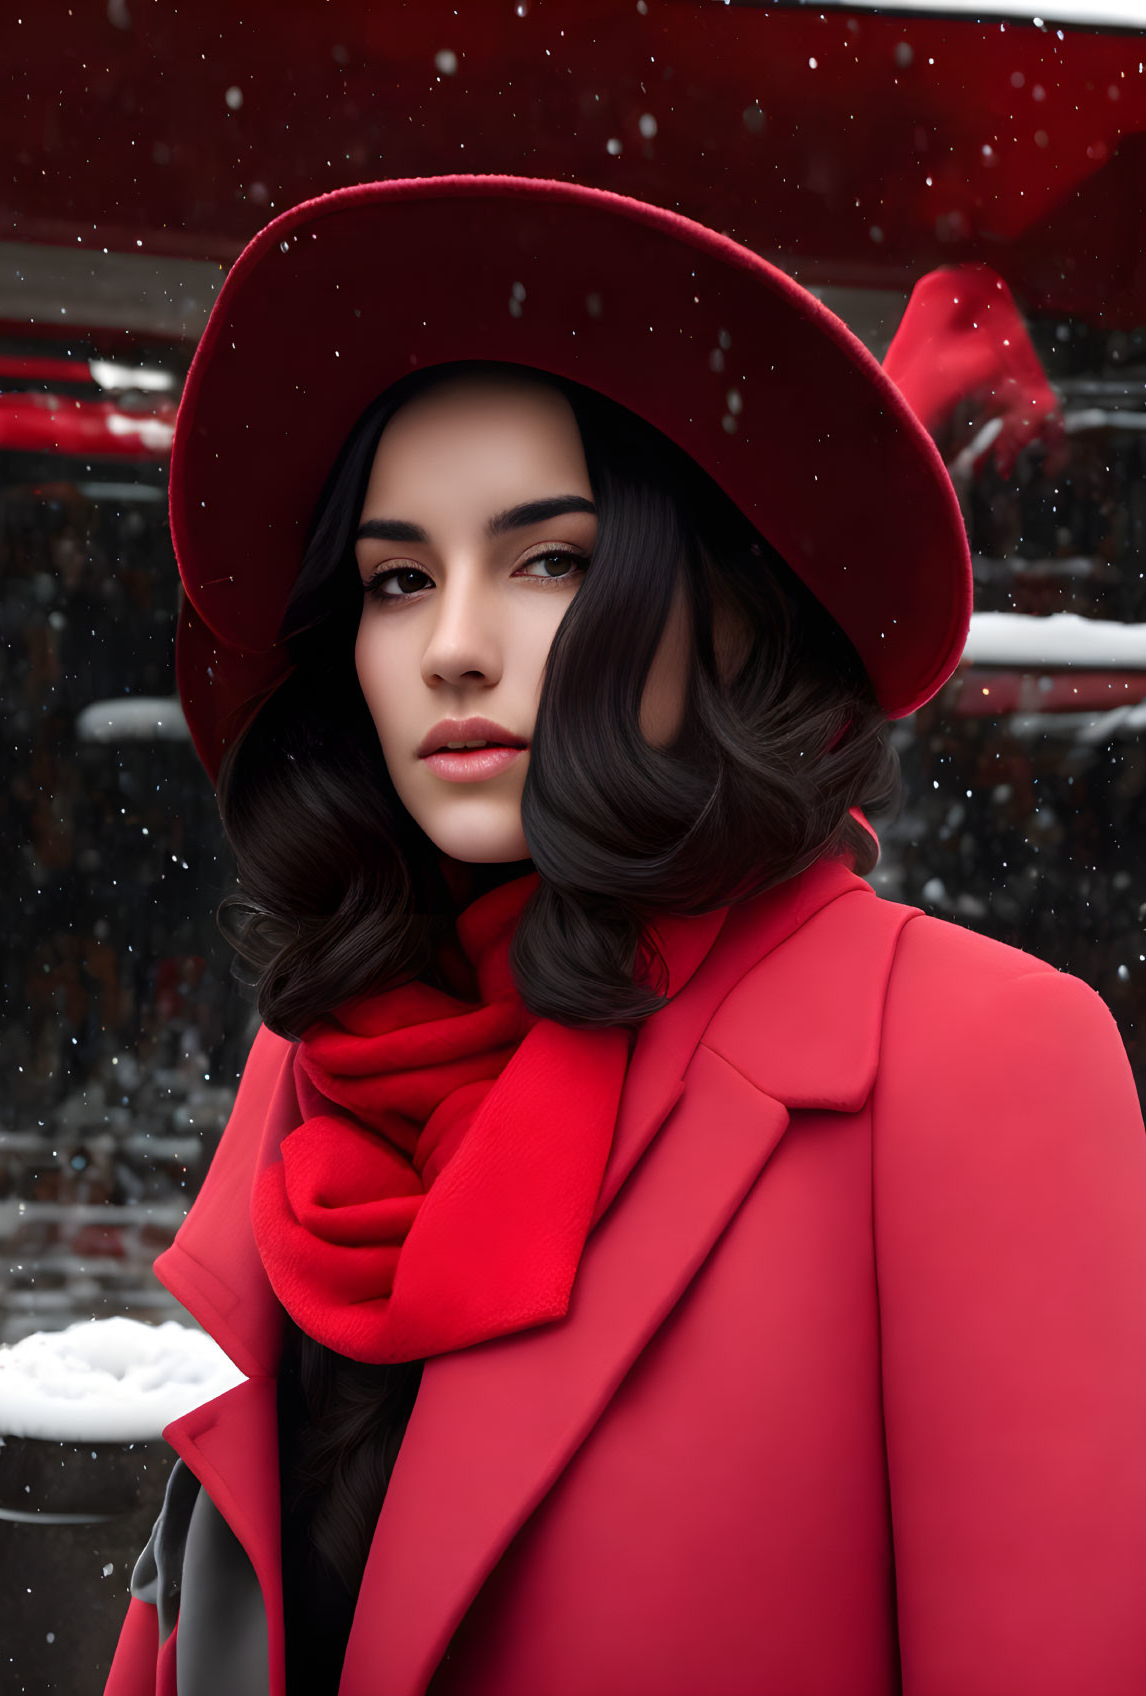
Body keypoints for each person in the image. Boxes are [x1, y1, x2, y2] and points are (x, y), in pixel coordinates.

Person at [104, 175, 1146, 1696]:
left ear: (724, 612)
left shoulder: (964, 1061)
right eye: (398, 579)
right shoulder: (325, 1060)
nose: (452, 645)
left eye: (548, 559)